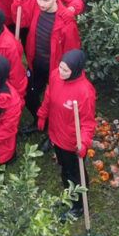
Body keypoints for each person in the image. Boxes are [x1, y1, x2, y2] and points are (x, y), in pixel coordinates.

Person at [17, 0, 81, 150]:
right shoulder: (35, 4)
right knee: (29, 94)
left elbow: (72, 52)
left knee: (54, 104)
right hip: (35, 62)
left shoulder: (67, 23)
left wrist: (67, 76)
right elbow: (21, 20)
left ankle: (52, 136)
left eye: (46, 0)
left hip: (55, 69)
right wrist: (18, 6)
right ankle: (40, 122)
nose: (41, 4)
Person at [38, 49, 96, 220]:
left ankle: (78, 205)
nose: (61, 72)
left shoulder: (85, 91)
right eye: (60, 67)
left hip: (72, 142)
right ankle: (68, 196)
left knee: (74, 172)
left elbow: (87, 122)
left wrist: (83, 143)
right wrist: (42, 114)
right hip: (56, 134)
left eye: (66, 70)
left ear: (76, 69)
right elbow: (49, 96)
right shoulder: (56, 76)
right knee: (64, 169)